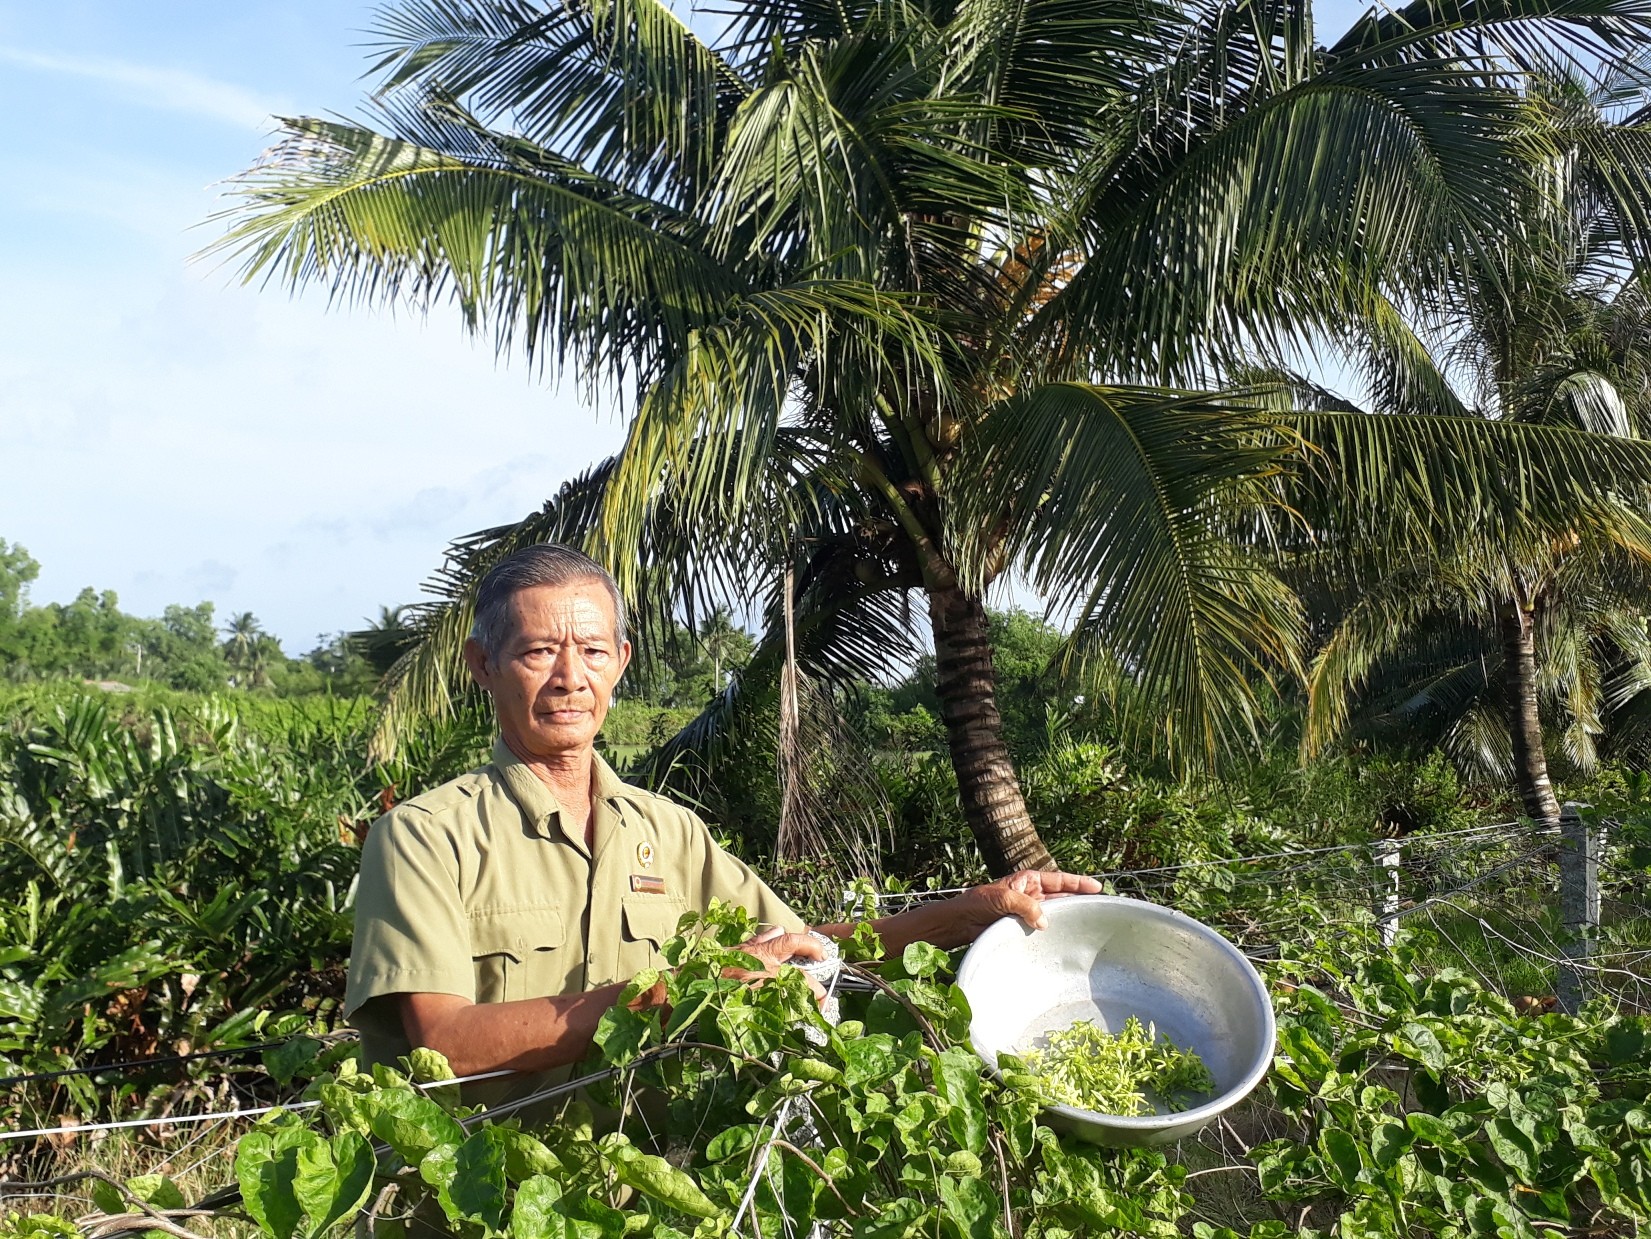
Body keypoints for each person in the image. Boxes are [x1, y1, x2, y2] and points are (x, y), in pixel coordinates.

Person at [344, 543, 1099, 1100]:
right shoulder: (424, 836)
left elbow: (798, 949)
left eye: (592, 650)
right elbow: (446, 1042)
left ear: (621, 661)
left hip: (642, 1202)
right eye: (539, 650)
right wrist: (677, 989)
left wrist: (969, 910)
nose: (570, 676)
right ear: (483, 664)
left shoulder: (666, 831)